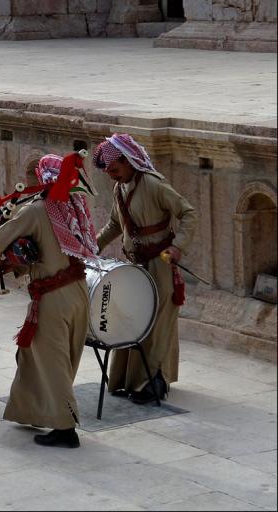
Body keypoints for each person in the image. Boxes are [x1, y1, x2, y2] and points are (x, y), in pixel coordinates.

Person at [0, 154, 99, 449]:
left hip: (53, 299)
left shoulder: (35, 210)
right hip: (78, 293)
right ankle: (35, 410)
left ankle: (64, 428)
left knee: (52, 364)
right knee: (45, 359)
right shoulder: (76, 207)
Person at [93, 133, 198, 404]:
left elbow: (188, 212)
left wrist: (178, 246)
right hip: (135, 265)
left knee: (157, 322)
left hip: (159, 263)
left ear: (128, 162)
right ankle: (125, 379)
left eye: (115, 170)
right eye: (109, 173)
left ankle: (151, 382)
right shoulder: (120, 188)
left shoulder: (153, 185)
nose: (112, 177)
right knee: (132, 320)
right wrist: (93, 247)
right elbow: (116, 225)